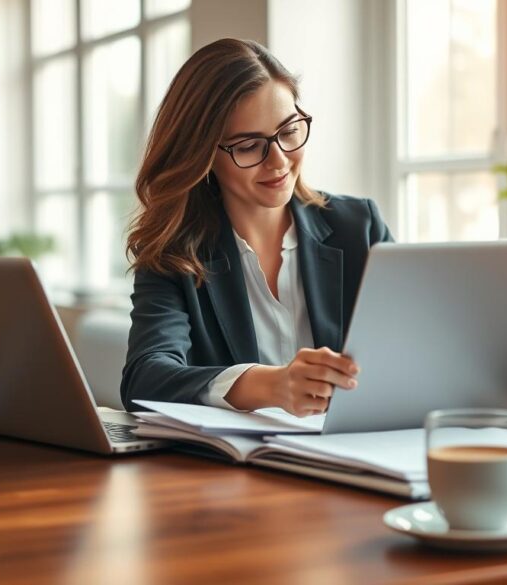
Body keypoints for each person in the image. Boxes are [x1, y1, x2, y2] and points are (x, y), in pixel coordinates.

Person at [121, 38, 393, 417]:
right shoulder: (174, 254)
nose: (279, 160)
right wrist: (271, 385)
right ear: (203, 154)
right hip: (239, 471)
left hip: (358, 452)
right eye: (249, 145)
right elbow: (144, 380)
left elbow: (413, 351)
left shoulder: (359, 227)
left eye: (289, 130)